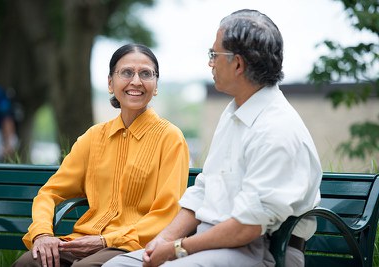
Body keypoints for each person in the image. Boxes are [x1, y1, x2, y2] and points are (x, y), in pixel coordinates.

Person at [103, 9, 322, 267]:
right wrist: (162, 240)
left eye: (214, 55)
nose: (210, 63)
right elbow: (204, 190)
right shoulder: (235, 113)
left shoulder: (276, 130)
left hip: (265, 251)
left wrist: (177, 248)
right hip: (210, 243)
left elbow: (246, 228)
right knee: (117, 265)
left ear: (238, 64)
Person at [12, 44, 190, 267]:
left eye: (146, 74)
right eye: (126, 72)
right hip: (80, 242)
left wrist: (106, 240)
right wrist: (42, 235)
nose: (136, 81)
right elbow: (50, 193)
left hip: (135, 246)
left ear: (155, 86)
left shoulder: (170, 138)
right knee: (30, 263)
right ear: (109, 83)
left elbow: (167, 213)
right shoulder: (94, 137)